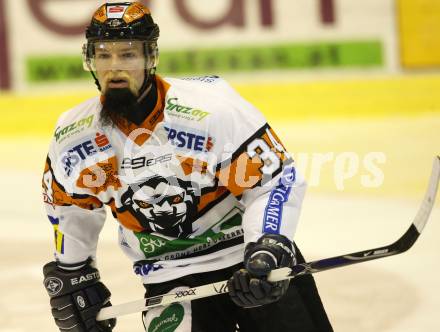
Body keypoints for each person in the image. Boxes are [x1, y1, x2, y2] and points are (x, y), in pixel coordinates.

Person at [42, 2, 333, 331]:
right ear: (90, 61)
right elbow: (70, 208)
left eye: (128, 54)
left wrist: (267, 246)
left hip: (249, 260)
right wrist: (74, 272)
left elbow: (271, 180)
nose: (115, 67)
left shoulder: (210, 110)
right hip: (169, 277)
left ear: (151, 57)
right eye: (103, 55)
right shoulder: (74, 136)